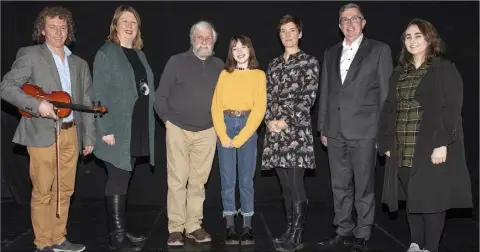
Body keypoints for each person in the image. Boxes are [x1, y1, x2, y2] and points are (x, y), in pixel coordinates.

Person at [0, 6, 95, 252]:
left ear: (68, 30)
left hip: (71, 132)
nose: (58, 32)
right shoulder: (30, 55)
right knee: (43, 190)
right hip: (42, 132)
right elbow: (7, 87)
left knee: (65, 189)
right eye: (52, 27)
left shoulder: (80, 63)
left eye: (63, 27)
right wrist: (37, 104)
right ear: (42, 29)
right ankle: (43, 243)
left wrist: (89, 136)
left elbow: (85, 102)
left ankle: (59, 238)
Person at [377, 19, 473, 252]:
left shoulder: (444, 69)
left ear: (429, 38)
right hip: (403, 145)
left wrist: (442, 143)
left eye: (418, 35)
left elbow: (452, 108)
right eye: (408, 37)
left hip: (429, 146)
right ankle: (415, 244)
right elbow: (389, 108)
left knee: (432, 201)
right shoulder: (399, 72)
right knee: (413, 198)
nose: (412, 41)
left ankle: (430, 247)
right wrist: (386, 141)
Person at [316, 3, 392, 252]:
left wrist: (384, 133)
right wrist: (323, 128)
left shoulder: (379, 50)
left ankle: (363, 232)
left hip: (366, 131)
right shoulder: (330, 52)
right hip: (335, 130)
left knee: (364, 184)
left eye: (354, 19)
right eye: (344, 20)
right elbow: (325, 92)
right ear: (339, 25)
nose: (349, 24)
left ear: (363, 22)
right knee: (339, 184)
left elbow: (385, 95)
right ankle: (343, 228)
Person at [154, 20, 224, 247]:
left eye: (208, 38)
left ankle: (193, 225)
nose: (204, 42)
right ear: (192, 39)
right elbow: (160, 96)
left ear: (213, 42)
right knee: (177, 180)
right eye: (199, 37)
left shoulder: (220, 65)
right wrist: (168, 122)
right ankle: (175, 228)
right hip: (178, 129)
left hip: (208, 131)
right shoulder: (176, 61)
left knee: (198, 181)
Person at [92, 5, 155, 252]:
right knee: (117, 178)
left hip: (135, 126)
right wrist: (105, 128)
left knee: (124, 177)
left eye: (134, 23)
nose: (129, 27)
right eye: (124, 22)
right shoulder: (106, 52)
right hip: (115, 127)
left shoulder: (139, 54)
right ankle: (117, 238)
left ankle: (120, 230)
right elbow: (99, 92)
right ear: (115, 25)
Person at [261, 14, 319, 252]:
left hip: (296, 134)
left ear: (300, 33)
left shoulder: (309, 62)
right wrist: (268, 121)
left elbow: (308, 99)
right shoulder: (273, 65)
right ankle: (288, 230)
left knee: (296, 184)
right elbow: (264, 97)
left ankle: (297, 235)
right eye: (283, 31)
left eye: (292, 30)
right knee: (284, 186)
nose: (288, 35)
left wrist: (284, 122)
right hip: (275, 134)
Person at [211, 35, 266, 245]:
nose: (240, 51)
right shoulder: (225, 75)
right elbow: (215, 106)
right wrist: (224, 135)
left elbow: (260, 108)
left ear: (250, 50)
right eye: (235, 48)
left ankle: (247, 226)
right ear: (231, 53)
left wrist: (242, 136)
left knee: (246, 180)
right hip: (226, 125)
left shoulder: (259, 75)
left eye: (244, 47)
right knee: (227, 180)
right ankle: (230, 226)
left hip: (247, 126)